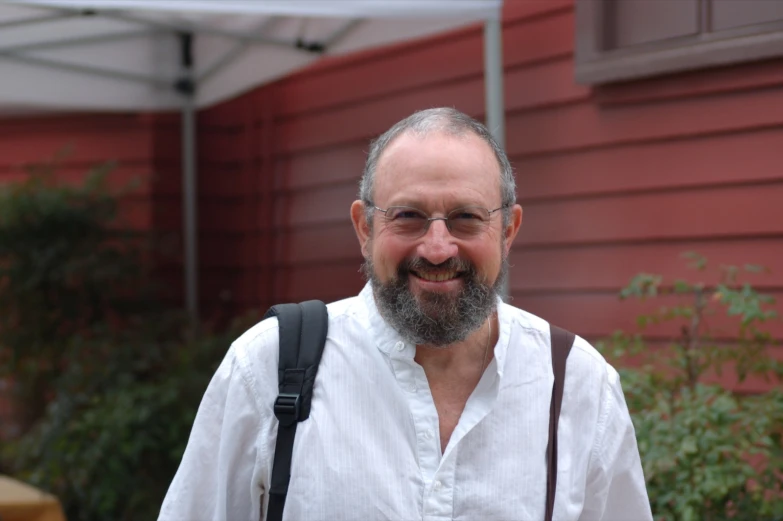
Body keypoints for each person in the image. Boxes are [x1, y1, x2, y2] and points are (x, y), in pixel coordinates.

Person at [158, 107, 653, 521]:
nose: (438, 249)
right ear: (364, 227)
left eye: (466, 218)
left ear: (508, 231)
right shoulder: (267, 367)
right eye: (408, 216)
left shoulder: (579, 385)